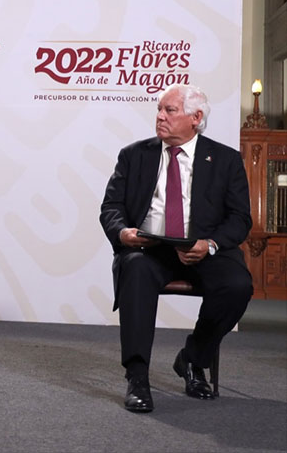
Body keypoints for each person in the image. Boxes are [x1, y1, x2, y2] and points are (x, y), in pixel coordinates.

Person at [99, 83, 252, 413]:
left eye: (169, 110)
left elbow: (240, 219)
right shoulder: (134, 155)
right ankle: (137, 376)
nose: (160, 116)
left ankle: (194, 359)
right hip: (151, 248)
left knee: (238, 285)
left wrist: (210, 244)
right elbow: (110, 207)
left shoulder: (225, 160)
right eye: (159, 109)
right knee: (135, 267)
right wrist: (123, 232)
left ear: (196, 118)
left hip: (204, 249)